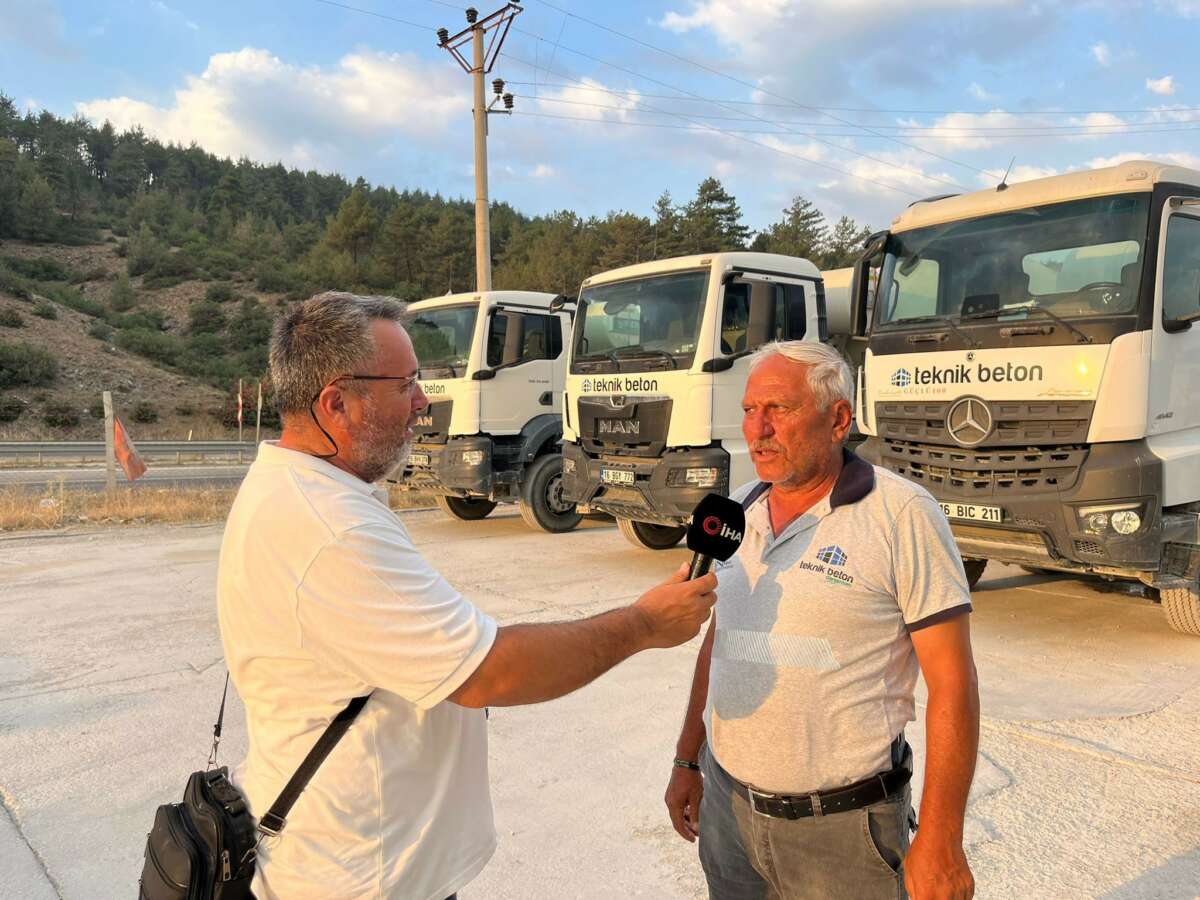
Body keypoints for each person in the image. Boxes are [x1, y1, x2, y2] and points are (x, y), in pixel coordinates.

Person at [217, 292, 718, 900]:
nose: (423, 403)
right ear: (336, 403)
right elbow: (488, 673)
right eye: (406, 385)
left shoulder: (298, 489)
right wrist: (642, 624)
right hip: (361, 877)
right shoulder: (330, 528)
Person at [663, 341, 980, 900]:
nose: (755, 431)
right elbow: (721, 639)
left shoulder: (901, 515)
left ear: (838, 420)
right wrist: (689, 757)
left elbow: (953, 684)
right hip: (729, 815)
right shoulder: (736, 509)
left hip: (846, 833)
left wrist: (942, 838)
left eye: (777, 411)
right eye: (748, 410)